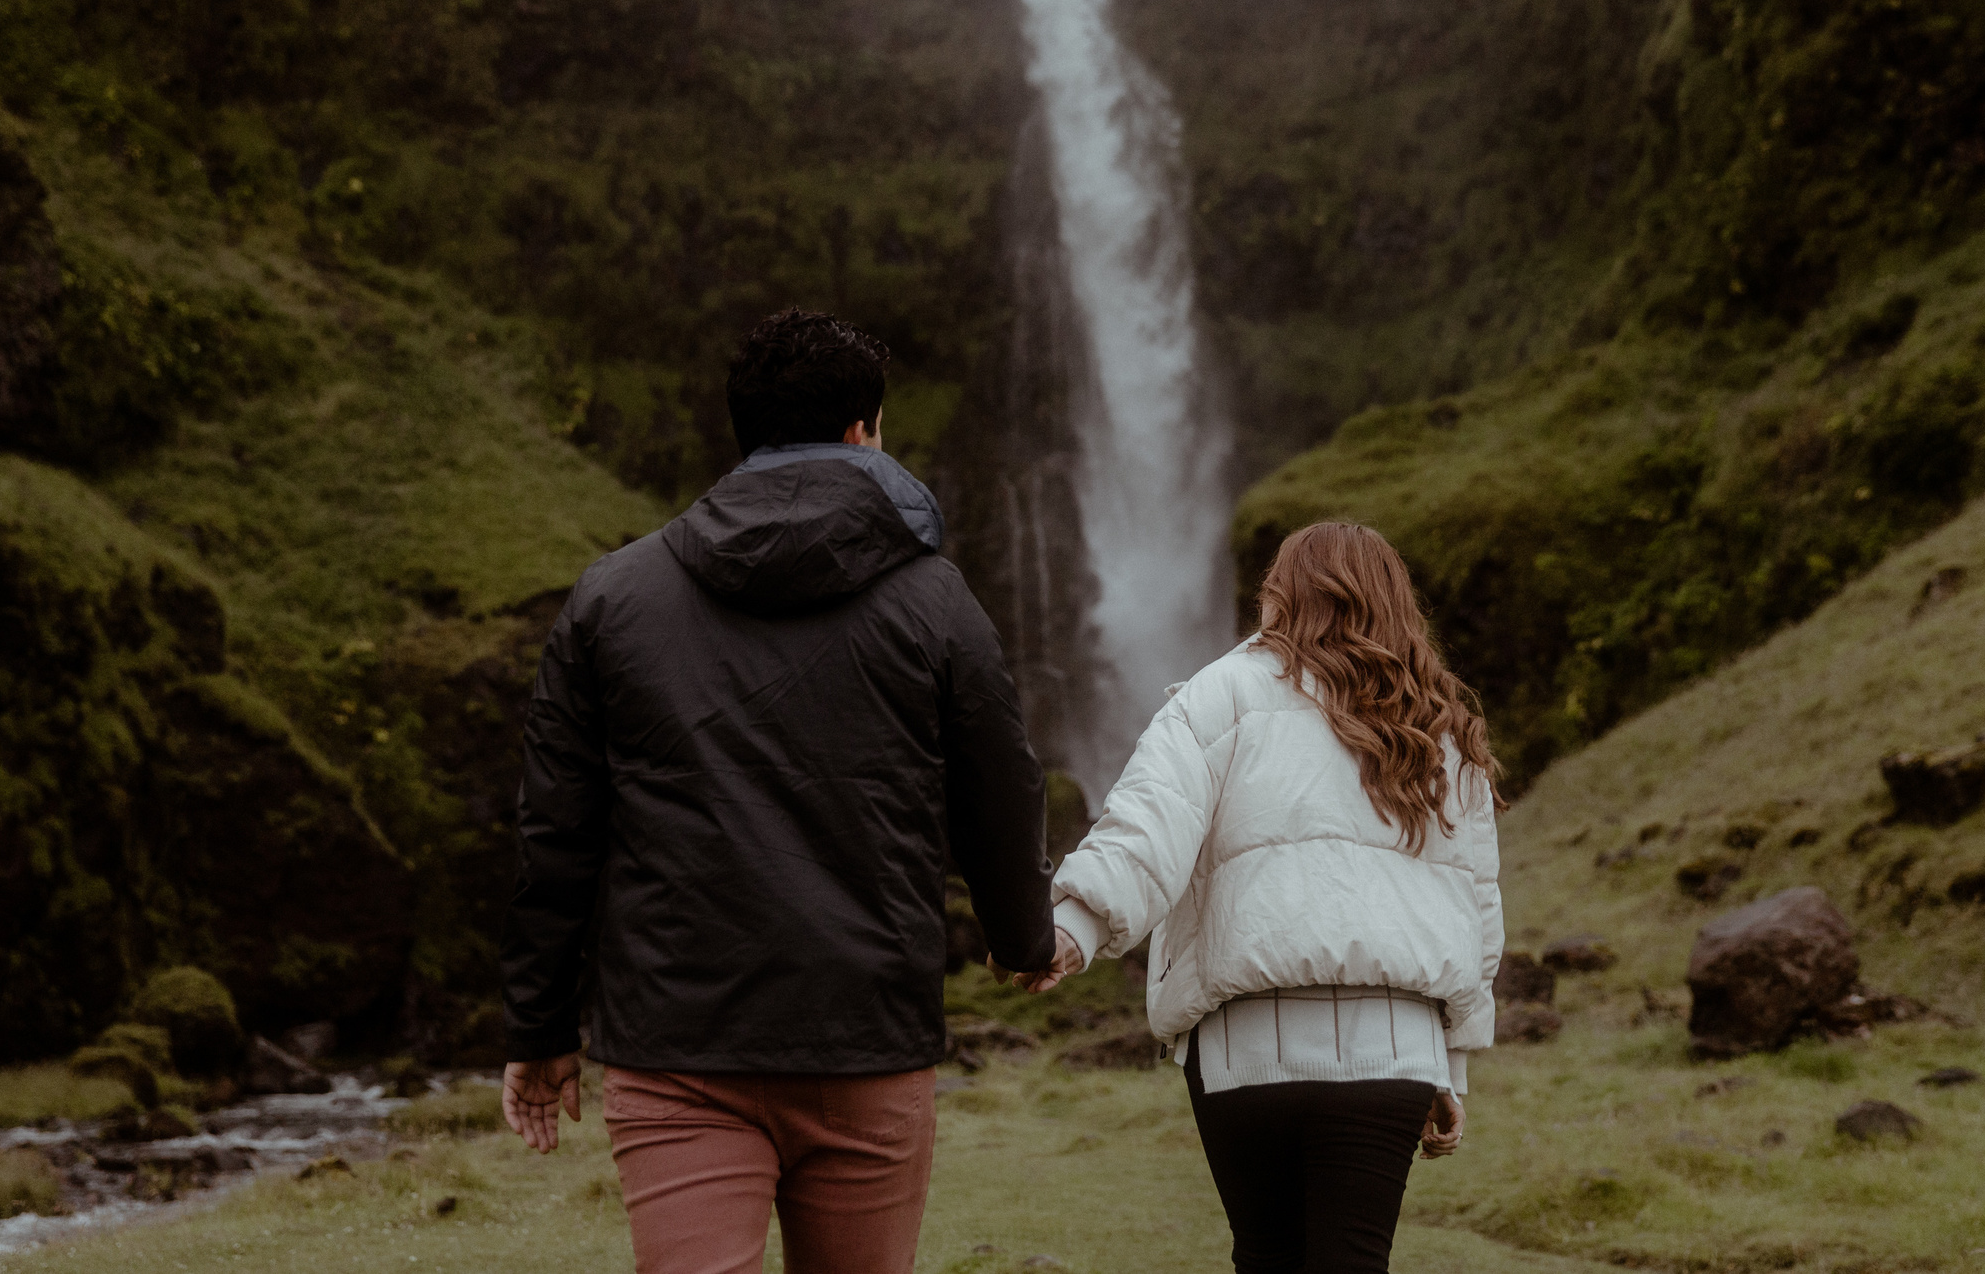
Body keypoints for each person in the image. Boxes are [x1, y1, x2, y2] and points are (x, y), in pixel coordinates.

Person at [499, 308, 1056, 1274]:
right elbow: (998, 789)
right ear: (861, 432)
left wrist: (541, 1028)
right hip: (867, 1033)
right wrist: (1024, 938)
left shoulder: (612, 597)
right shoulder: (936, 600)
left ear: (744, 435)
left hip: (678, 1045)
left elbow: (557, 832)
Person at [1011, 521, 1506, 1274]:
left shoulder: (1218, 692)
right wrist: (1452, 1065)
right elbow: (1475, 913)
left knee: (1267, 1257)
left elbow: (1147, 822)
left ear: (1279, 595)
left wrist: (1073, 922)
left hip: (1246, 1056)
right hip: (1395, 1051)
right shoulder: (1443, 727)